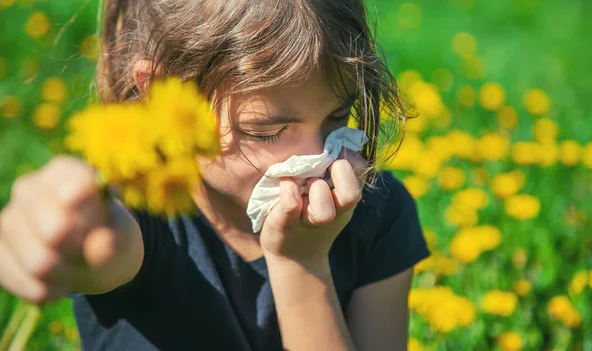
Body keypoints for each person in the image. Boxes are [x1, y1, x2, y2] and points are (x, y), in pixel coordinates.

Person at [0, 0, 430, 350]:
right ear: (162, 94)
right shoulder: (142, 218)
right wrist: (46, 224)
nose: (316, 156)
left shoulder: (379, 212)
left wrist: (300, 262)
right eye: (266, 130)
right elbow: (95, 241)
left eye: (338, 116)